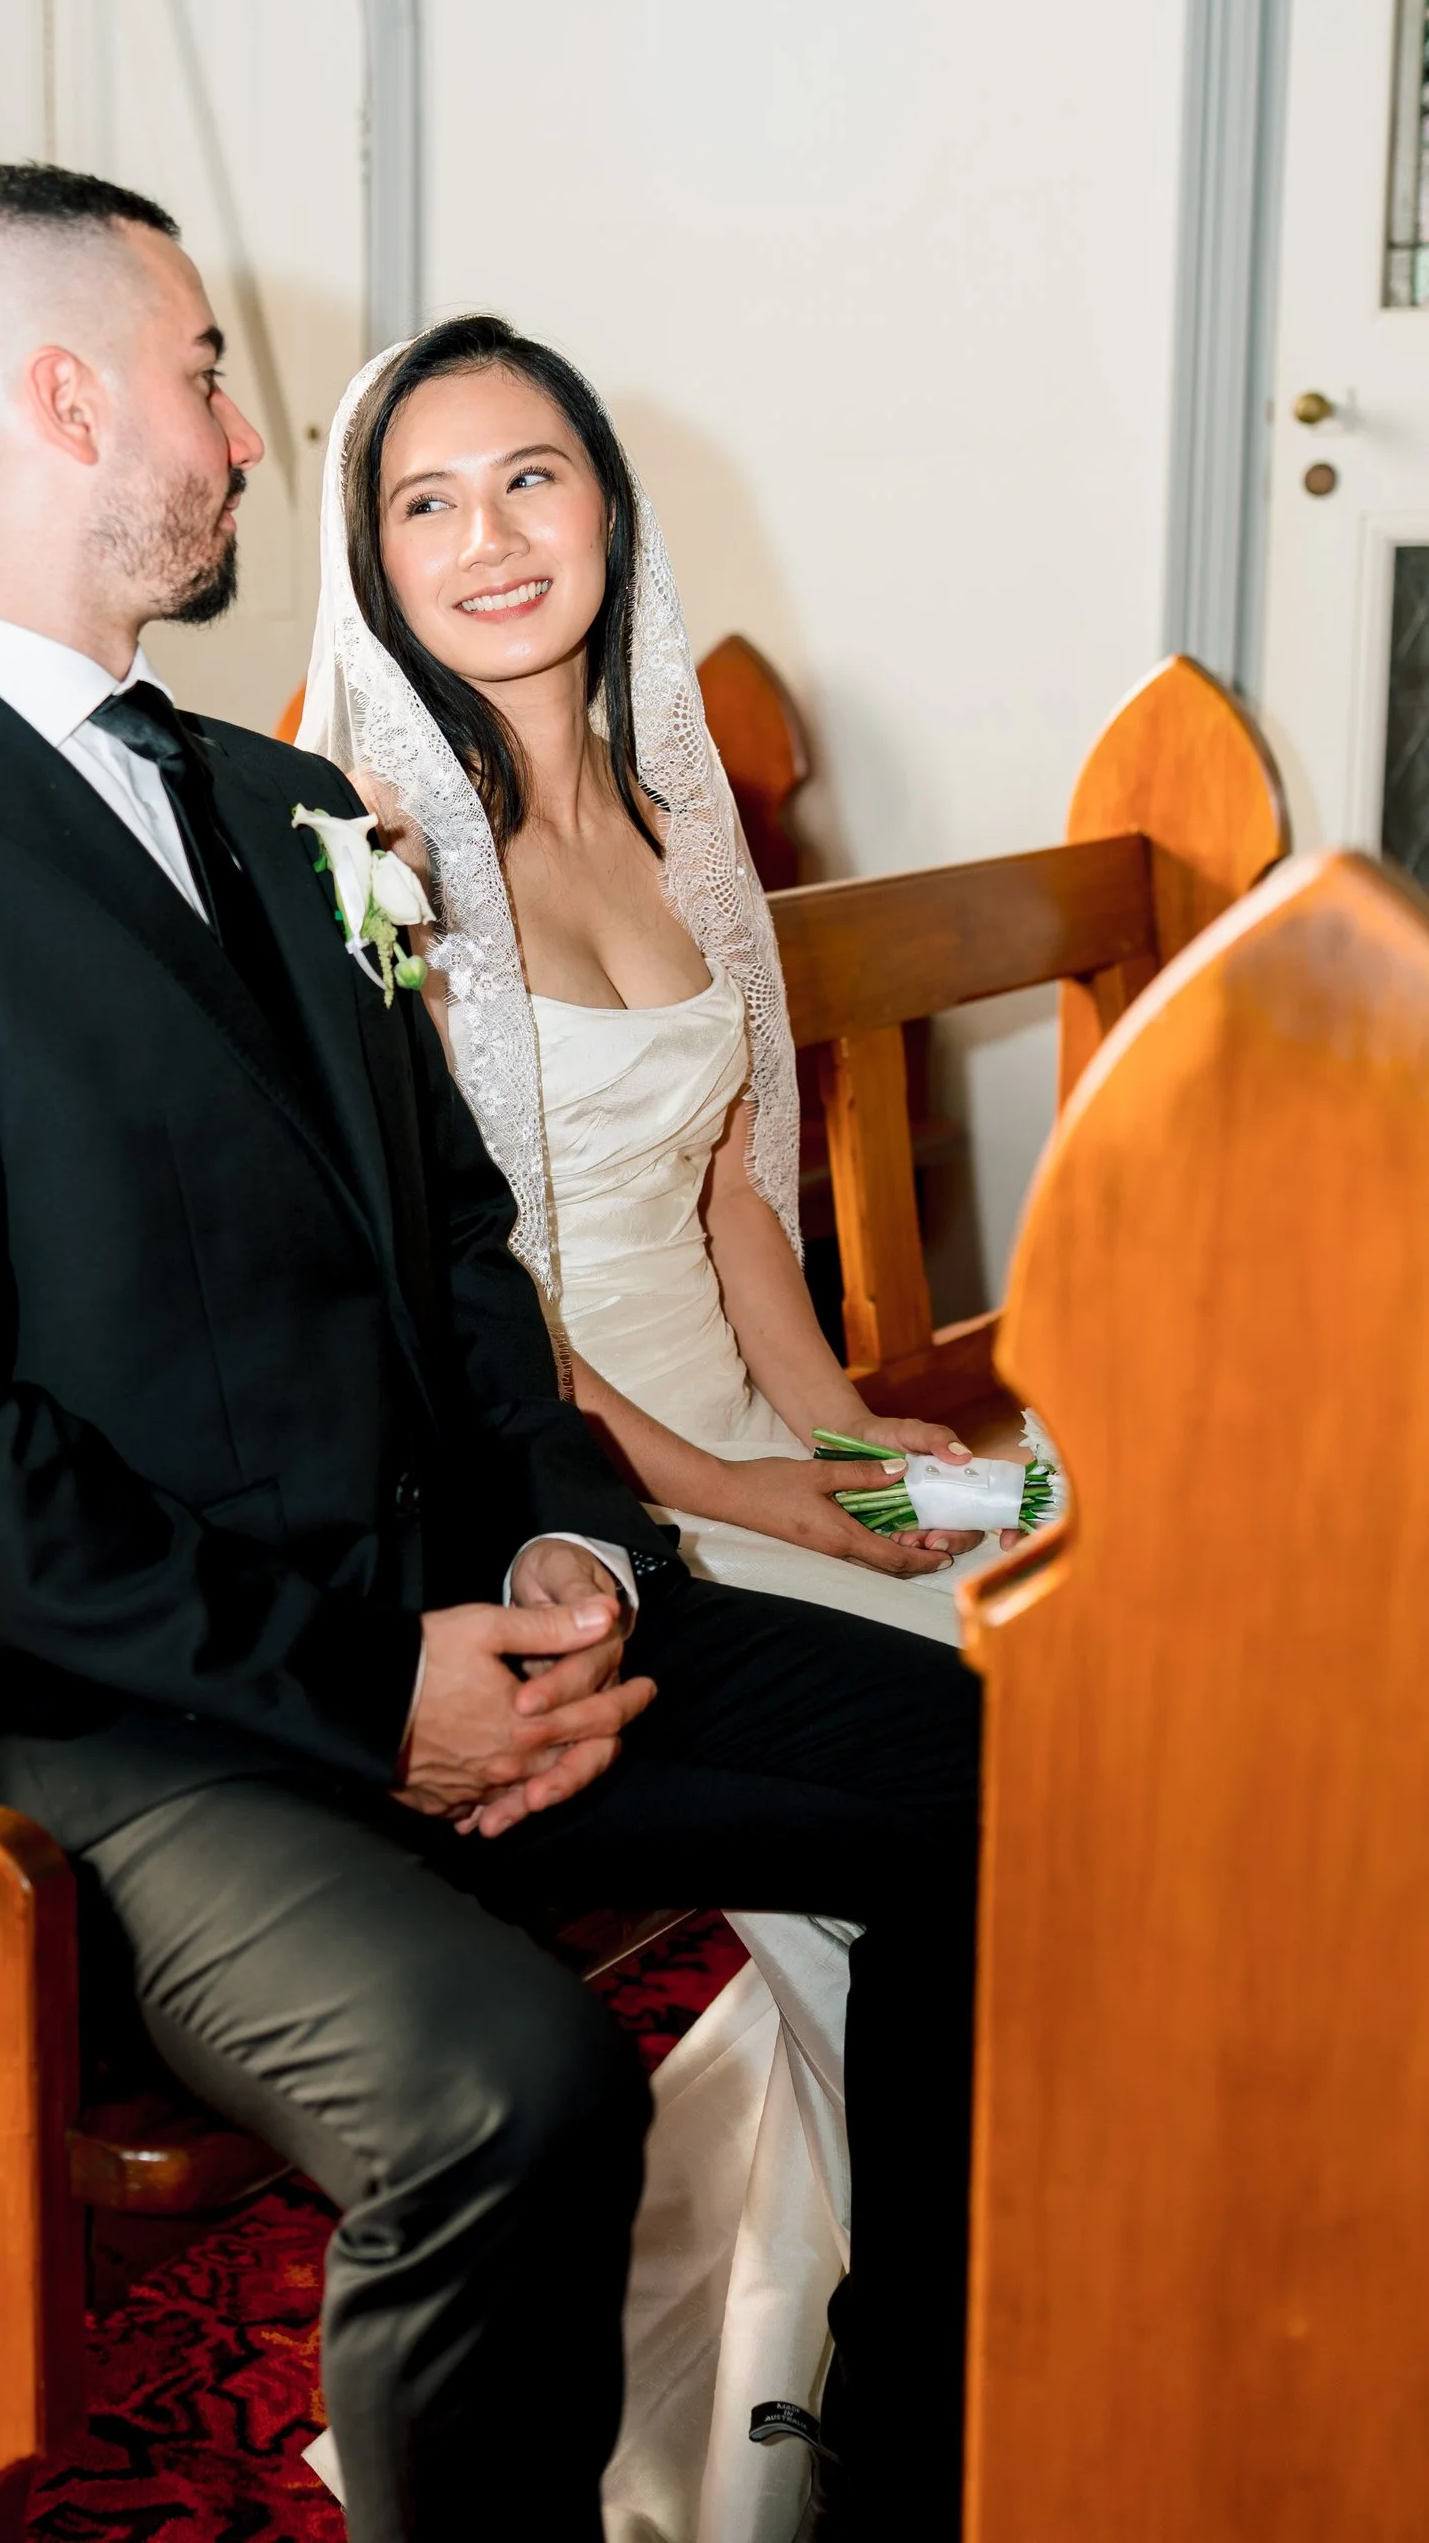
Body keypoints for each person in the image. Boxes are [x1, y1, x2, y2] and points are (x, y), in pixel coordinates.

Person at [0, 164, 981, 2543]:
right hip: (112, 1712)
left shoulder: (294, 817)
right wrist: (369, 1691)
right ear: (68, 398)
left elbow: (463, 1266)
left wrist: (580, 1566)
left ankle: (902, 2475)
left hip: (453, 1608)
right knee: (510, 2094)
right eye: (199, 376)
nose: (234, 435)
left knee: (1004, 1777)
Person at [298, 316, 1002, 2538]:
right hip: (558, 1490)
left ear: (609, 502)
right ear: (367, 552)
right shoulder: (364, 838)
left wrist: (849, 1434)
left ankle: (989, 2305)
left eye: (532, 479)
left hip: (727, 1434)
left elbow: (723, 1178)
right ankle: (910, 2392)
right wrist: (736, 1493)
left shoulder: (670, 789)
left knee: (1096, 1644)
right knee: (996, 1776)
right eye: (425, 500)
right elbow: (454, 1287)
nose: (489, 539)